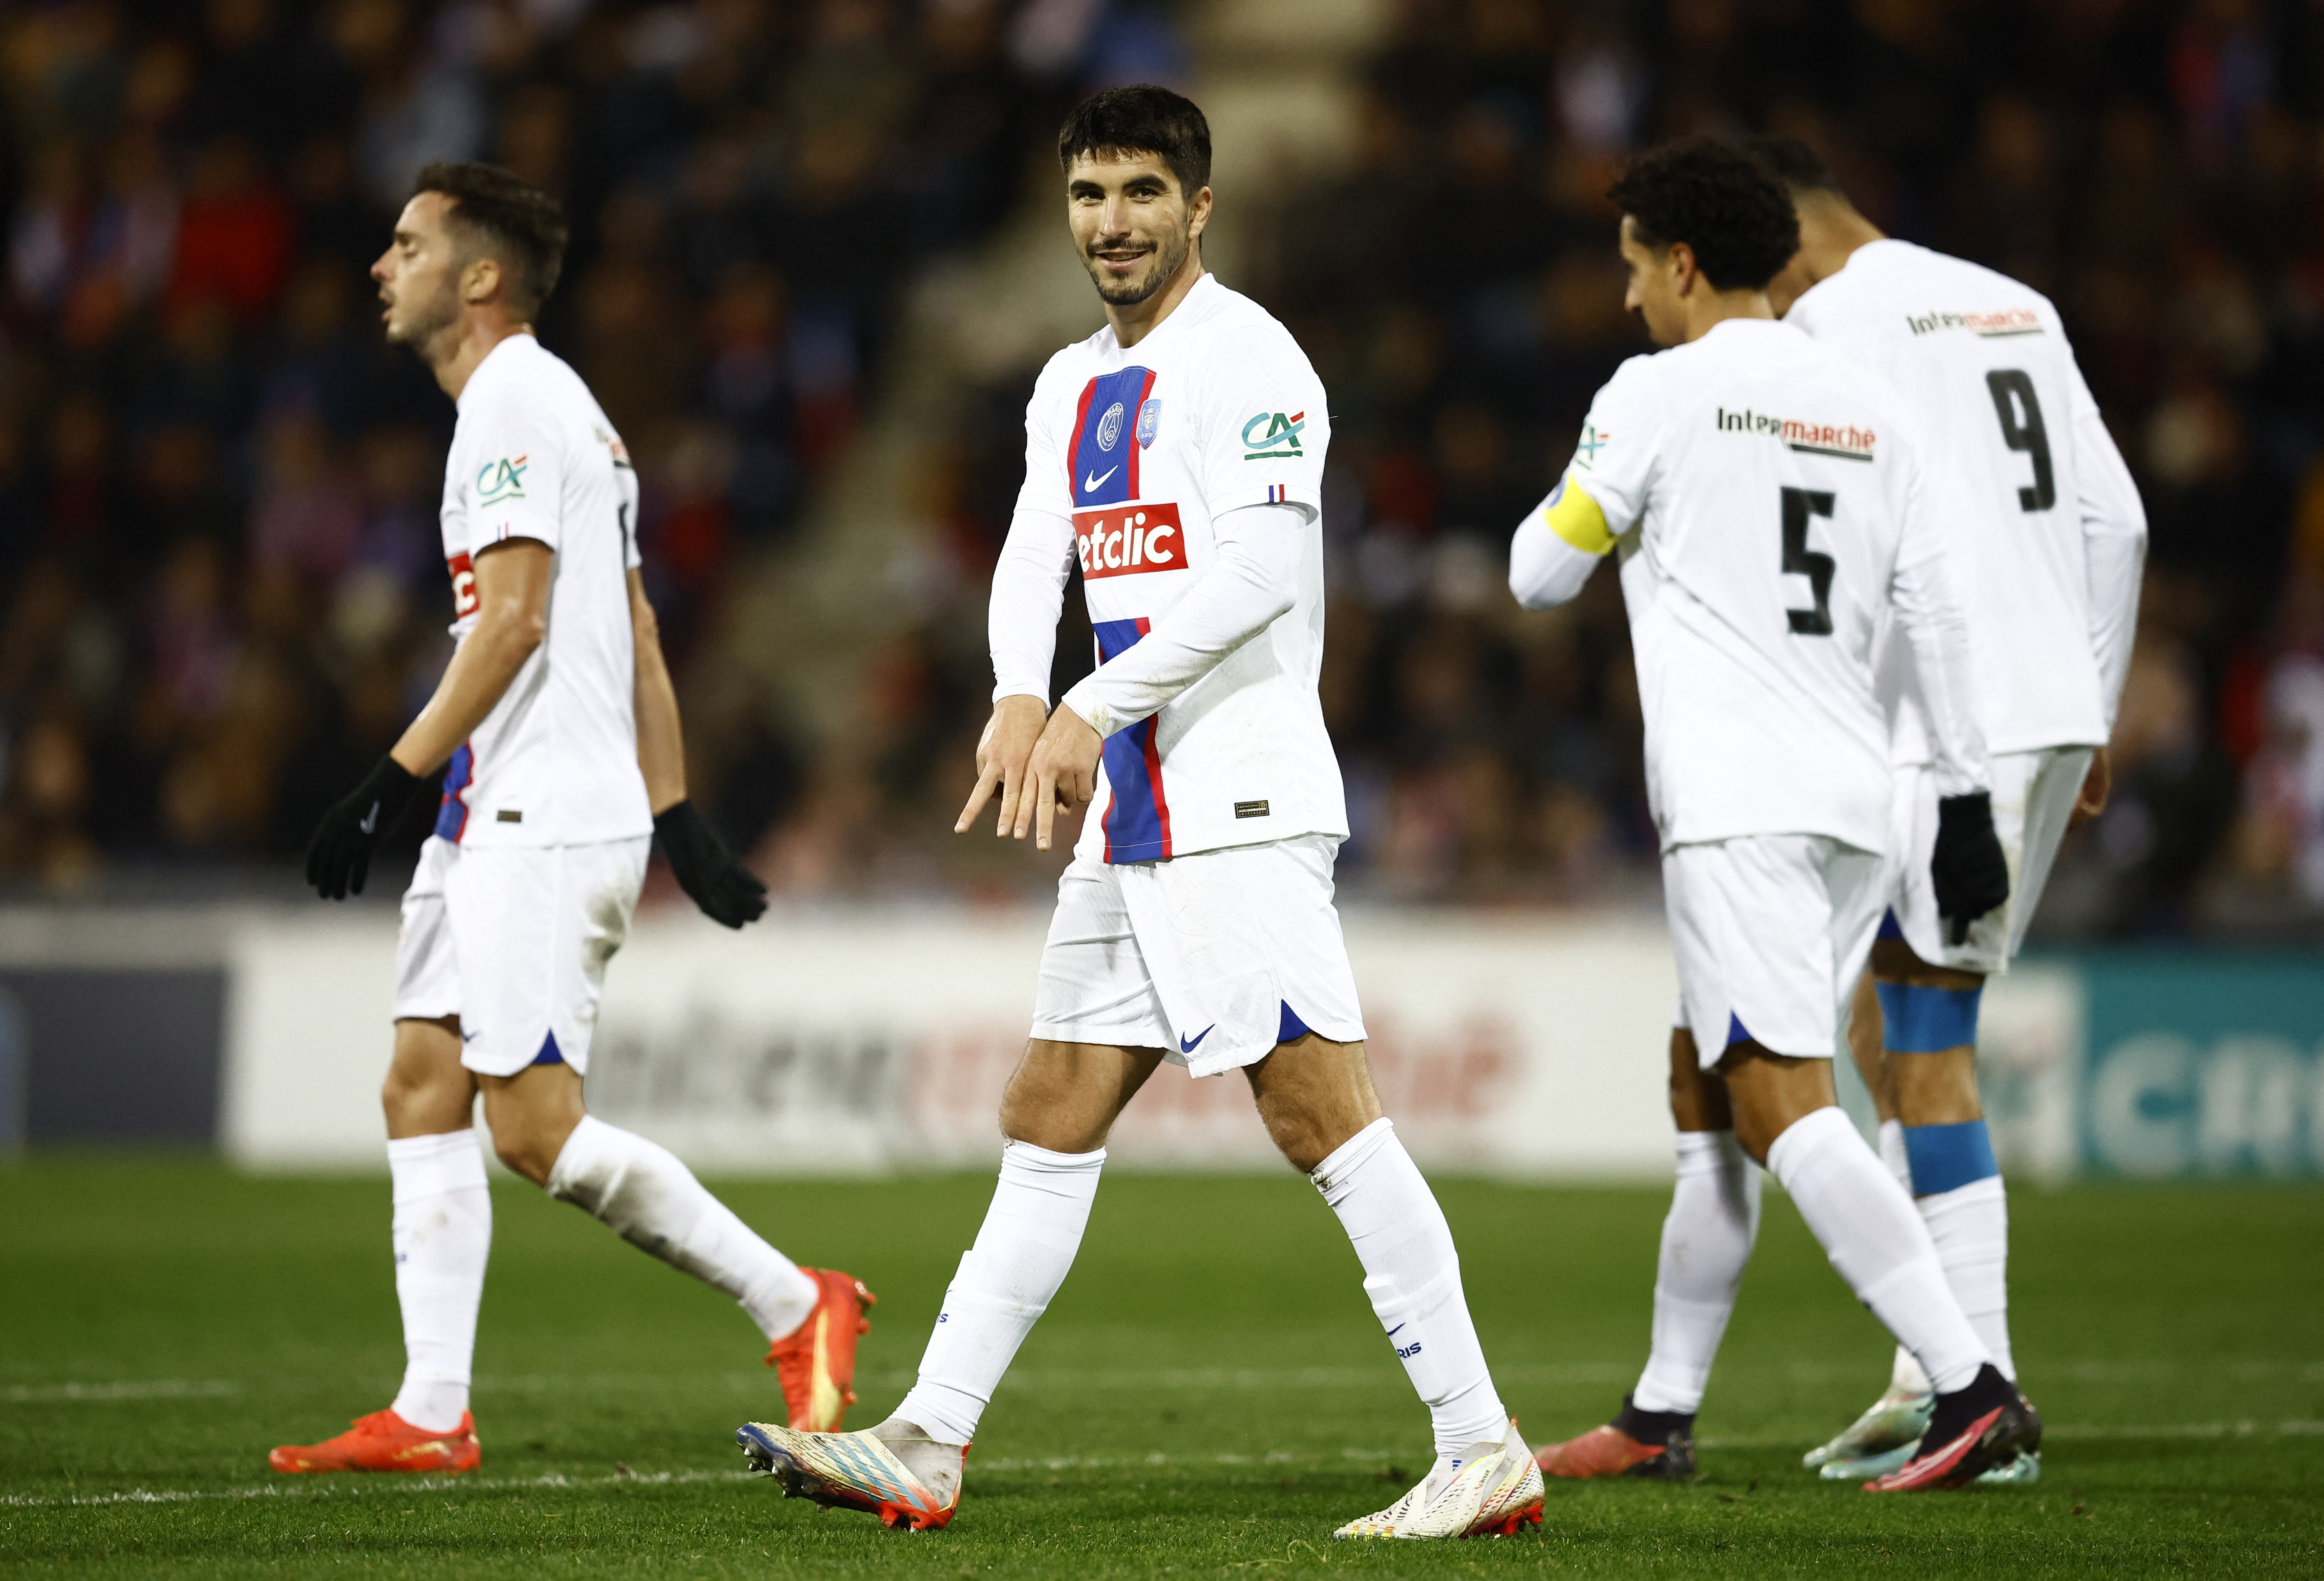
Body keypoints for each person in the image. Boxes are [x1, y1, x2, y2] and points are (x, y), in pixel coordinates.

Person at [732, 86, 1542, 1542]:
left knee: (1318, 1109)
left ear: (1200, 206)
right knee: (1053, 1102)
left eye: (1144, 193)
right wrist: (1012, 690)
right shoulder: (1067, 382)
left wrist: (1089, 705)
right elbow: (1032, 549)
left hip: (1237, 789)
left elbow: (1261, 577)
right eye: (1090, 194)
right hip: (1137, 811)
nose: (1113, 223)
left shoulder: (1256, 360)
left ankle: (1482, 1445)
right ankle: (928, 1437)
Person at [270, 162, 871, 1476]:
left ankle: (796, 1300)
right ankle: (434, 1410)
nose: (381, 265)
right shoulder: (570, 410)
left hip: (537, 809)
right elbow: (635, 627)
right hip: (503, 806)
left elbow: (517, 621)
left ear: (480, 276)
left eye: (409, 244)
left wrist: (388, 775)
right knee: (422, 1081)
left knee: (534, 1128)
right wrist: (679, 809)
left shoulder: (510, 403)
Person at [1509, 139, 2035, 1493]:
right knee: (1708, 1077)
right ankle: (1660, 1410)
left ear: (1683, 263)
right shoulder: (1870, 404)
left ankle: (1970, 1382)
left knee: (1775, 1096)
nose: (1630, 296)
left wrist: (1595, 500)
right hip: (1858, 799)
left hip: (1736, 800)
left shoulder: (1655, 393)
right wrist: (1964, 799)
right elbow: (1938, 611)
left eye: (1635, 267)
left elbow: (1538, 573)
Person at [1749, 134, 2148, 1484]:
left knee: (1925, 1035)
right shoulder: (2013, 303)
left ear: (1785, 240)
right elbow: (2121, 524)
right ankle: (1932, 1373)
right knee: (1887, 1022)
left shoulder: (1827, 326)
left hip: (1945, 728)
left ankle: (1985, 1396)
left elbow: (1870, 543)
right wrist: (2093, 701)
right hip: (2047, 708)